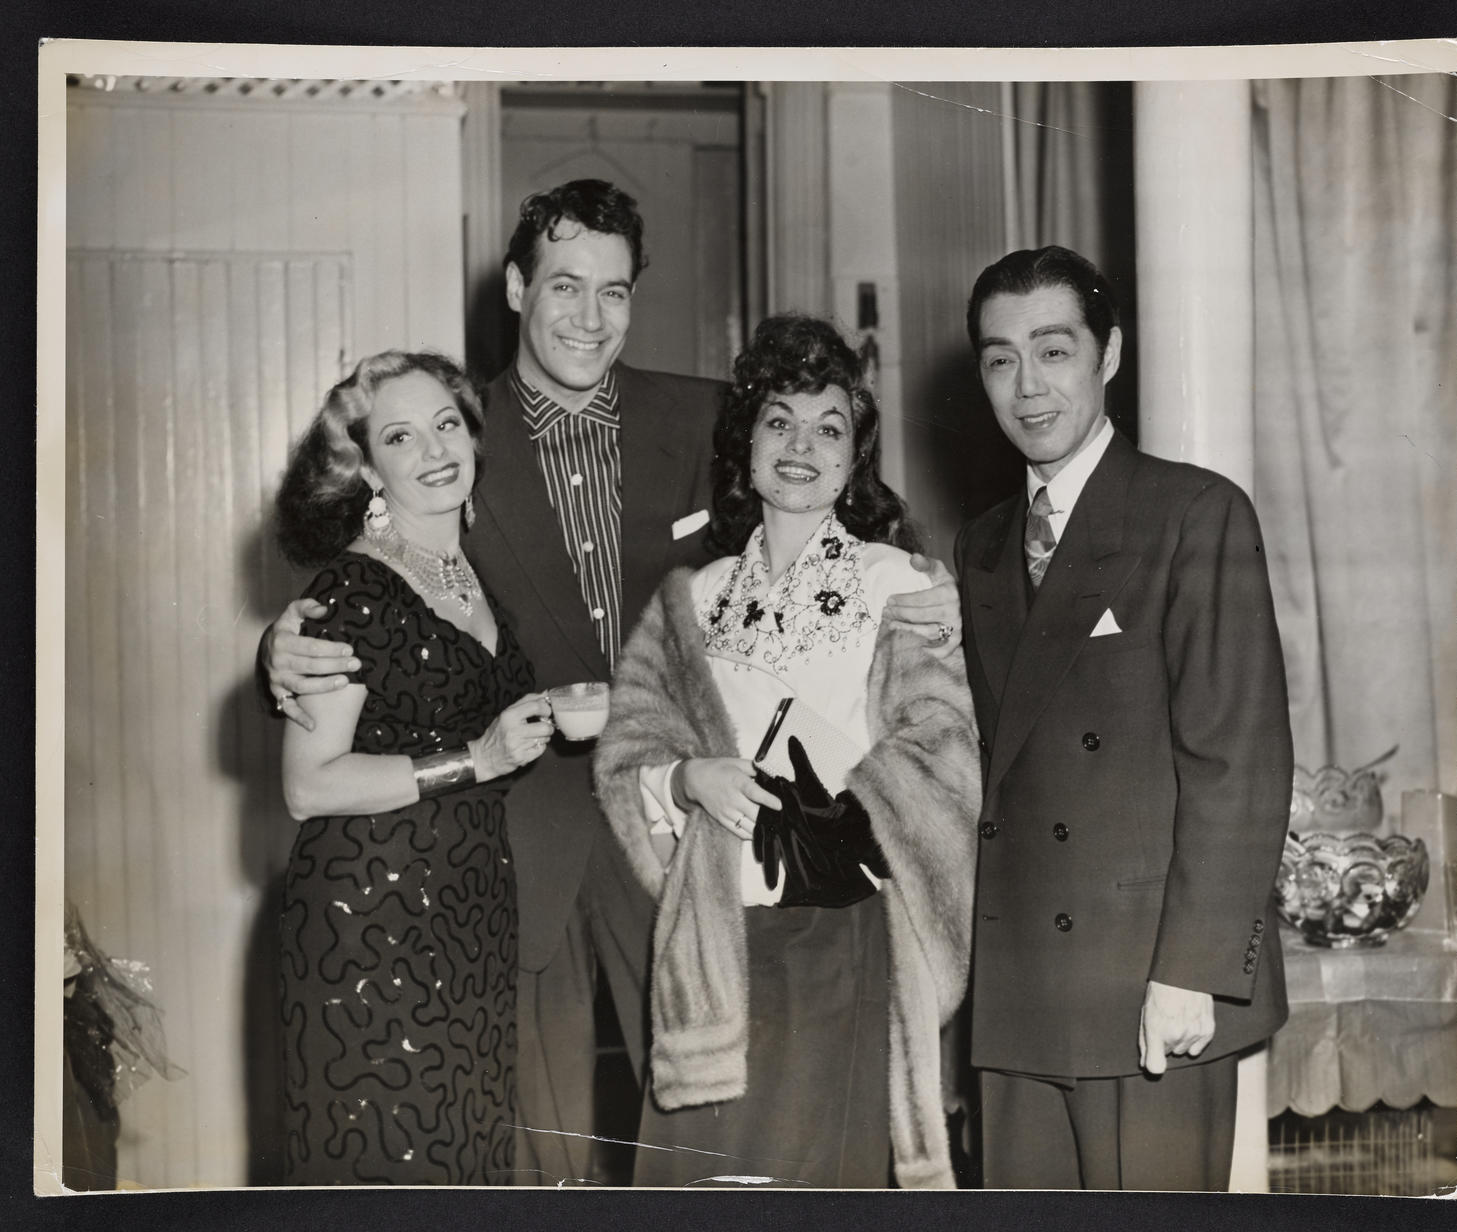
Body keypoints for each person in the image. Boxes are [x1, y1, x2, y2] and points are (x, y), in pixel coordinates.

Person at [260, 180, 961, 1183]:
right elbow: (362, 584)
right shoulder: (456, 434)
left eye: (615, 290)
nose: (590, 316)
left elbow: (850, 546)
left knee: (701, 1130)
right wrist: (277, 651)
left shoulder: (716, 420)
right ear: (514, 287)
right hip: (511, 836)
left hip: (678, 836)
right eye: (564, 286)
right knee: (541, 1146)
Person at [593, 315, 980, 1188]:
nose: (803, 446)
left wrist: (851, 808)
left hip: (836, 934)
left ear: (854, 457)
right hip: (711, 938)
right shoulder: (693, 597)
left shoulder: (900, 583)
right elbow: (626, 755)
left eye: (829, 427)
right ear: (747, 443)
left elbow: (946, 753)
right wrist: (687, 780)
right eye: (780, 421)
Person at [954, 247, 1293, 1190]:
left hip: (1151, 985)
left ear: (1109, 355)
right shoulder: (977, 545)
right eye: (999, 359)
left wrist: (1192, 970)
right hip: (1021, 988)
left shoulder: (1194, 513)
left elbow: (1240, 760)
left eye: (1053, 351)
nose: (1027, 387)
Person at [274, 350, 554, 1184]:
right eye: (401, 436)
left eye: (447, 424)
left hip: (467, 914)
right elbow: (306, 784)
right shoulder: (352, 591)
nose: (435, 450)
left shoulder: (465, 571)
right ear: (366, 467)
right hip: (371, 919)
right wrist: (477, 758)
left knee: (464, 1164)